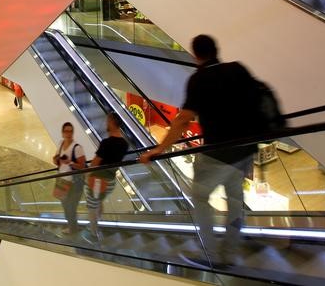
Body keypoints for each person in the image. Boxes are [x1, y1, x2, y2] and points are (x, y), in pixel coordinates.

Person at [140, 34, 257, 264]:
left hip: (218, 153)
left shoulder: (199, 79)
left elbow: (182, 120)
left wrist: (160, 149)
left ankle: (210, 254)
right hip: (246, 149)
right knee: (235, 201)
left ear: (196, 55)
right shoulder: (237, 69)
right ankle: (230, 253)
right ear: (216, 50)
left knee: (200, 198)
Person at [84, 112, 128, 242]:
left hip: (98, 180)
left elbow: (95, 163)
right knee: (98, 201)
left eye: (108, 121)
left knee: (92, 205)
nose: (106, 123)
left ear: (113, 123)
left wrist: (86, 174)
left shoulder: (106, 143)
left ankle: (93, 234)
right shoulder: (125, 144)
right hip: (110, 181)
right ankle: (98, 221)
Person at [53, 122, 86, 235]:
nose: (69, 133)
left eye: (70, 131)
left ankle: (73, 228)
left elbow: (82, 166)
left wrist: (70, 162)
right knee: (65, 206)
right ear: (63, 133)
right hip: (62, 180)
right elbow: (55, 160)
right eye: (66, 131)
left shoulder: (77, 148)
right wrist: (57, 159)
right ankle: (72, 225)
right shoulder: (61, 144)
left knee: (71, 206)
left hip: (74, 183)